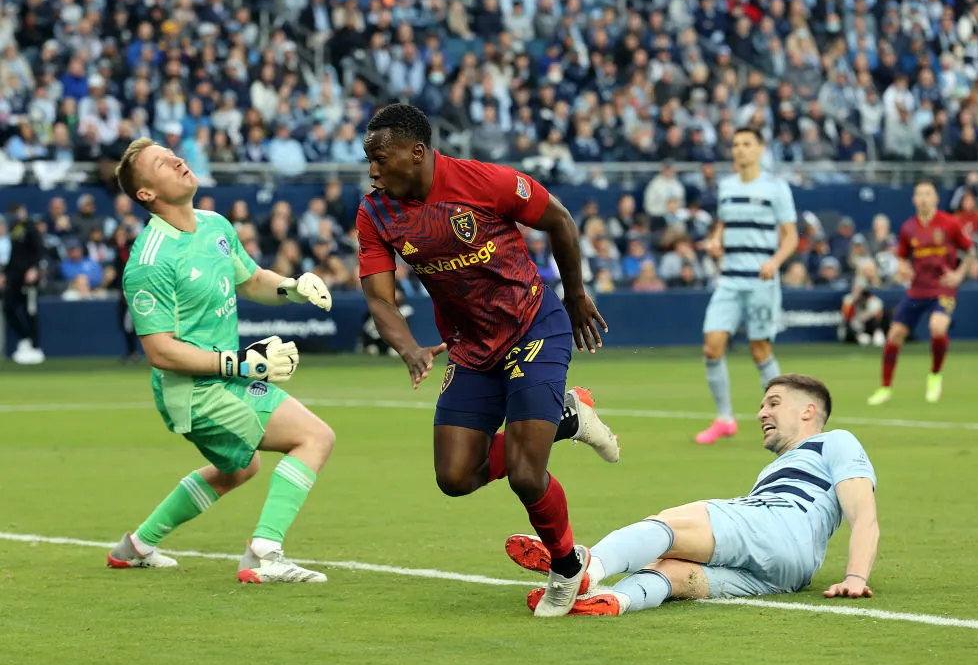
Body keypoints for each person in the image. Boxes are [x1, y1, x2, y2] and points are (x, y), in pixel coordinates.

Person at [356, 103, 620, 617]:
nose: (372, 170)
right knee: (455, 477)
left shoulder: (484, 182)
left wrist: (576, 294)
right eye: (368, 159)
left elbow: (561, 221)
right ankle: (566, 419)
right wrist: (408, 347)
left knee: (526, 472)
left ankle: (567, 567)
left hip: (532, 325)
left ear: (417, 152)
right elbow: (380, 299)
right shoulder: (376, 213)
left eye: (379, 158)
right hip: (471, 348)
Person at [107, 137, 337, 584]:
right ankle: (263, 553)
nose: (176, 159)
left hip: (226, 379)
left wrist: (291, 287)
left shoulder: (214, 225)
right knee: (314, 438)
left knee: (239, 468)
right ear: (146, 195)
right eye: (160, 162)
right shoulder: (149, 260)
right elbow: (160, 350)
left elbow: (251, 280)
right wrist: (243, 364)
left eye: (171, 153)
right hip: (191, 393)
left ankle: (134, 547)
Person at [506, 374, 880, 616]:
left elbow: (864, 515)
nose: (761, 412)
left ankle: (584, 568)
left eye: (774, 403)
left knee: (669, 525)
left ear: (809, 410)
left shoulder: (836, 441)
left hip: (778, 522)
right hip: (791, 573)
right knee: (674, 573)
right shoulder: (781, 467)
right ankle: (614, 602)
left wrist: (856, 576)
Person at [695, 127, 798, 445]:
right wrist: (715, 240)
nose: (739, 149)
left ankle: (785, 417)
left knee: (759, 349)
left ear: (759, 149)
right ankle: (725, 419)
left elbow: (791, 236)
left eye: (746, 144)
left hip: (761, 281)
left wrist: (775, 262)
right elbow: (724, 224)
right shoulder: (725, 187)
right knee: (712, 346)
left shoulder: (776, 188)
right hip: (729, 279)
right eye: (736, 144)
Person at [867, 180, 976, 405]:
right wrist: (903, 268)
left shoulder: (950, 223)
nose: (924, 198)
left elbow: (970, 250)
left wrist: (959, 274)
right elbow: (901, 258)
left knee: (937, 327)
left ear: (936, 198)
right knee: (894, 334)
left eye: (928, 194)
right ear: (914, 199)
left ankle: (935, 375)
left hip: (943, 288)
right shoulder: (908, 228)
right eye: (920, 194)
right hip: (917, 289)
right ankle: (885, 388)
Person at [3, 204, 45, 364]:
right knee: (8, 307)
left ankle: (35, 346)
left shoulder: (31, 229)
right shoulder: (15, 231)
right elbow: (14, 256)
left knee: (30, 311)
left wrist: (34, 269)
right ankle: (25, 338)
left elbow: (39, 250)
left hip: (29, 278)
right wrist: (5, 274)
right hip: (14, 277)